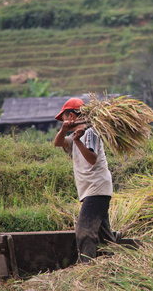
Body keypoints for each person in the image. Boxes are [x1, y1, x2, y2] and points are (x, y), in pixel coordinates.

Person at [54, 97, 116, 262]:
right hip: (92, 189)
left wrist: (76, 141)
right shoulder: (76, 135)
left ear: (72, 116)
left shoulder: (91, 132)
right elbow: (58, 143)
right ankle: (114, 263)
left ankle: (86, 268)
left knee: (84, 230)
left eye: (65, 117)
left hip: (96, 188)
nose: (65, 121)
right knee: (104, 234)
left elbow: (92, 158)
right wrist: (63, 131)